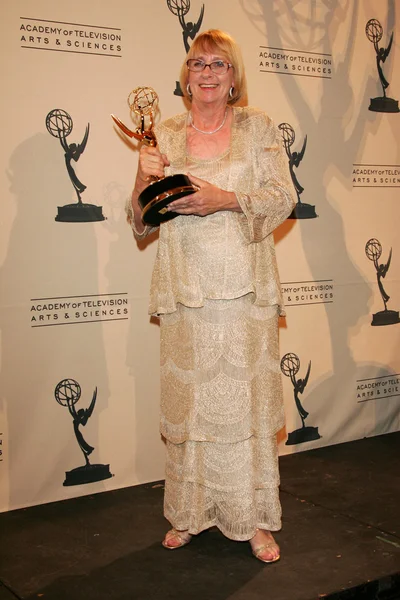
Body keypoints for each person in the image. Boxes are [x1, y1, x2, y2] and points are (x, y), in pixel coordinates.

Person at [126, 29, 296, 563]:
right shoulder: (165, 134)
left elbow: (283, 196)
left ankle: (253, 523)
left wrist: (225, 199)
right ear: (186, 75)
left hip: (244, 290)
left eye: (218, 64)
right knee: (191, 406)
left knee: (245, 408)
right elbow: (139, 221)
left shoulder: (258, 126)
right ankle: (189, 513)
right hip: (186, 290)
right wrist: (139, 177)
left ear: (233, 76)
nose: (206, 72)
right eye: (197, 63)